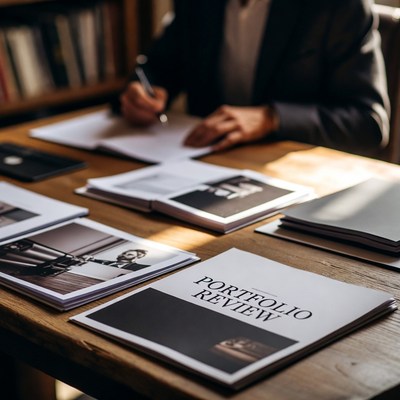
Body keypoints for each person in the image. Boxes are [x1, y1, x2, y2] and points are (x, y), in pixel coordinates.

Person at [119, 0, 390, 157]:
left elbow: (368, 123)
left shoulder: (338, 6)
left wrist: (271, 118)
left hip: (293, 178)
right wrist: (141, 92)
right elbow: (157, 66)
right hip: (195, 162)